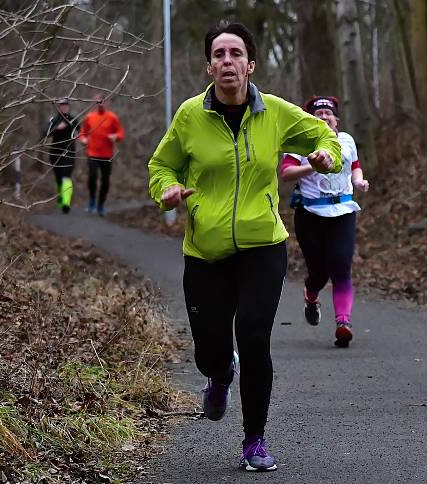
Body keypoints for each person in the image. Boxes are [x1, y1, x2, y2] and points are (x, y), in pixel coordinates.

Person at [147, 22, 341, 472]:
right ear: (209, 66)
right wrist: (169, 189)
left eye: (236, 53)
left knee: (254, 338)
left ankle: (254, 440)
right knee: (209, 348)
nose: (227, 61)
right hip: (206, 252)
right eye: (219, 54)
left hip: (261, 245)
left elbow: (324, 136)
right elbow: (161, 165)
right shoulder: (190, 116)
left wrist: (327, 154)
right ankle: (218, 373)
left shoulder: (274, 112)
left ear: (250, 64)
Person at [280, 96, 370, 348]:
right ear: (309, 119)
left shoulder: (346, 141)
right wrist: (312, 166)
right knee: (318, 272)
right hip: (310, 215)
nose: (323, 116)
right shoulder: (300, 143)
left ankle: (343, 324)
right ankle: (311, 296)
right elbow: (286, 173)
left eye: (328, 113)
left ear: (336, 119)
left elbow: (355, 165)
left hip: (343, 211)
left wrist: (358, 181)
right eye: (318, 113)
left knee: (341, 266)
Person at [79, 94, 125, 216]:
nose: (101, 104)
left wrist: (115, 136)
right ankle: (92, 200)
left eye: (103, 102)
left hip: (106, 155)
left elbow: (121, 134)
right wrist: (83, 139)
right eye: (98, 102)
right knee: (92, 178)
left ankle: (101, 204)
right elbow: (82, 133)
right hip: (92, 153)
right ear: (95, 103)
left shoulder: (112, 118)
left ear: (107, 102)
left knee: (105, 181)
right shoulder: (89, 117)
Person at [43, 97, 79, 213]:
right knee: (59, 177)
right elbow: (45, 133)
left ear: (68, 107)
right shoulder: (53, 120)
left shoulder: (73, 119)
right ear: (59, 108)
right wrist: (56, 128)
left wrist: (84, 138)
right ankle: (61, 195)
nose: (64, 107)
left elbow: (82, 131)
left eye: (66, 105)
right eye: (62, 105)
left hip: (69, 153)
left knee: (66, 177)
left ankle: (66, 202)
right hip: (55, 153)